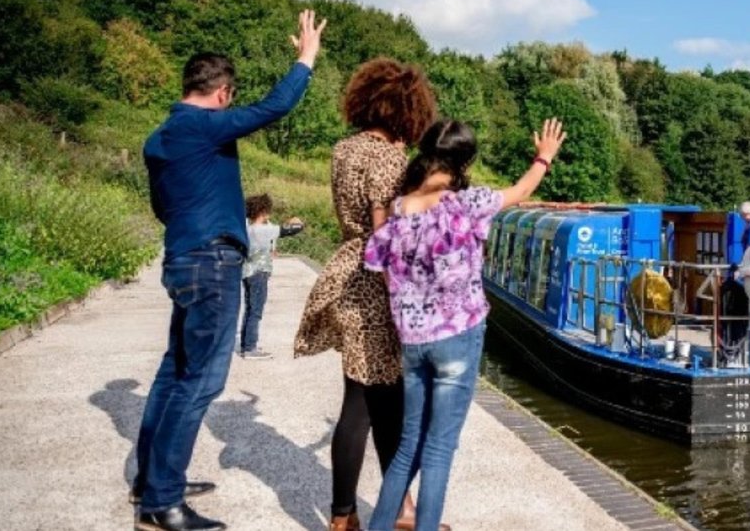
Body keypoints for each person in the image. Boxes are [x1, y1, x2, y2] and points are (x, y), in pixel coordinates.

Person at [134, 10, 326, 531]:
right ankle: (162, 503)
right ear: (222, 93)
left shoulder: (161, 137)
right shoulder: (205, 124)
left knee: (173, 372)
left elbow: (161, 207)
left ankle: (151, 481)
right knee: (201, 381)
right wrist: (305, 57)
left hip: (181, 259)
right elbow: (276, 106)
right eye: (231, 99)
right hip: (213, 264)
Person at [362, 117, 566, 531]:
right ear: (465, 160)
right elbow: (523, 190)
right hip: (458, 336)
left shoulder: (399, 209)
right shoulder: (466, 203)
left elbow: (381, 269)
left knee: (407, 448)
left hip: (414, 341)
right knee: (438, 449)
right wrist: (543, 157)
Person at [292, 59, 439, 531]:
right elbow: (384, 237)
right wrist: (405, 302)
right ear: (408, 109)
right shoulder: (389, 159)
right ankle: (358, 514)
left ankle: (387, 511)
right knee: (368, 405)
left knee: (374, 402)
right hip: (378, 285)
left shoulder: (344, 150)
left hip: (349, 275)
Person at [240, 193, 304, 360]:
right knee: (256, 311)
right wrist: (297, 222)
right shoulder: (265, 230)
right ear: (263, 211)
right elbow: (293, 229)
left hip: (247, 272)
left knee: (249, 309)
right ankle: (250, 348)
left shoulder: (247, 228)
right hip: (259, 273)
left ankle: (246, 344)